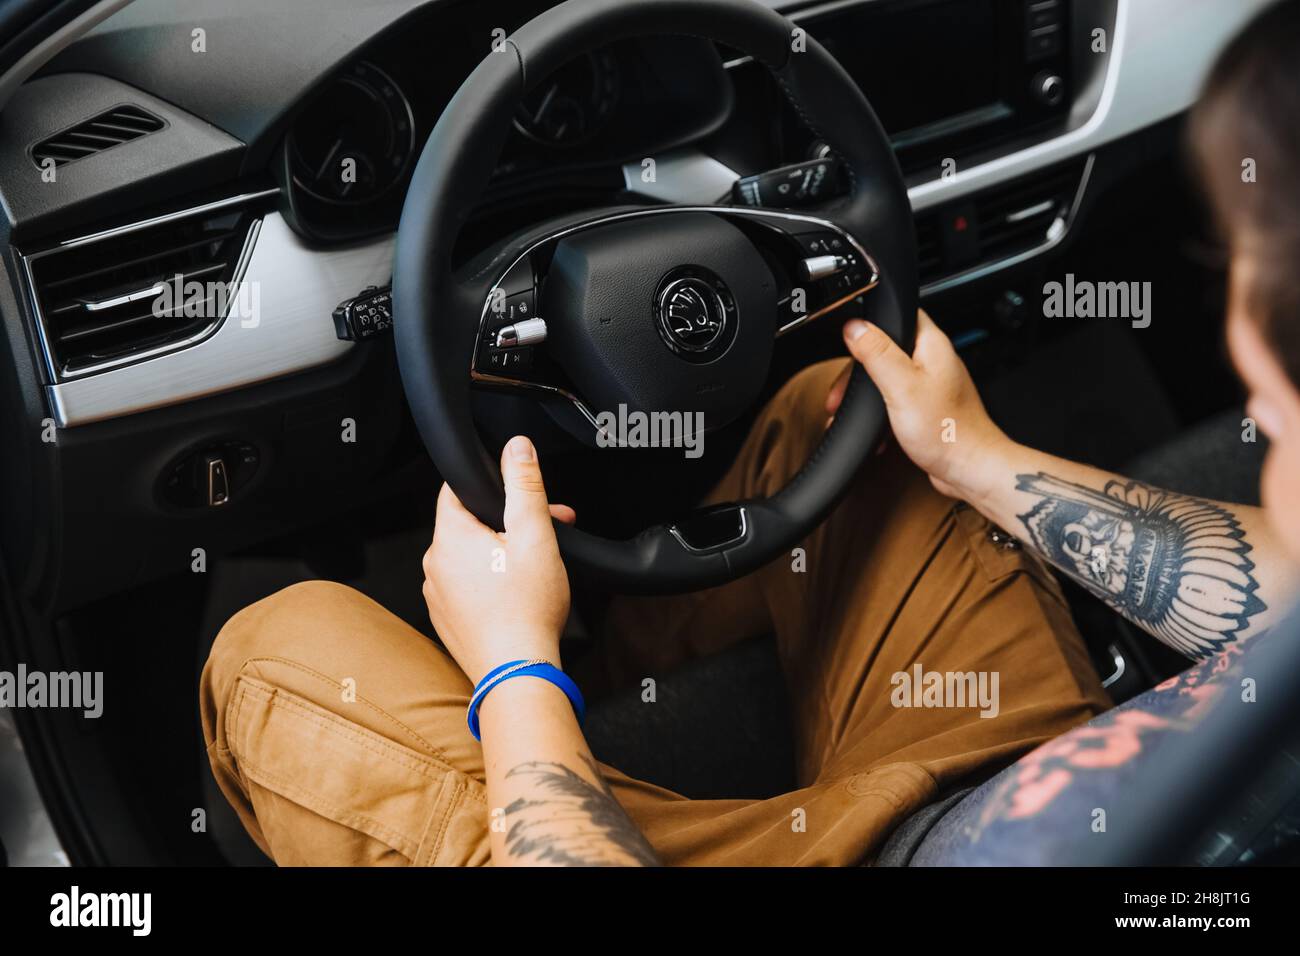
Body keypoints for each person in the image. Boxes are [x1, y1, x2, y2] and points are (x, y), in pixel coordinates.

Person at [200, 1, 1300, 866]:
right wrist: (980, 456)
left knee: (270, 657)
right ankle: (616, 634)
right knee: (837, 422)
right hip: (1011, 781)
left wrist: (513, 664)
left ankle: (571, 644)